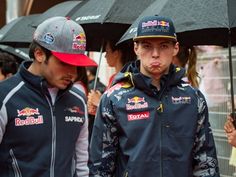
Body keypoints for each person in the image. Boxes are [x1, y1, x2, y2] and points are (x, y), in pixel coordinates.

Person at [88, 15, 220, 177]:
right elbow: (100, 166)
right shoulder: (114, 98)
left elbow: (206, 162)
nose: (155, 54)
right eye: (147, 46)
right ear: (136, 48)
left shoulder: (193, 98)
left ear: (175, 48)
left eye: (164, 46)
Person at [0, 16, 97, 177]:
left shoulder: (78, 99)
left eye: (77, 65)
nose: (72, 73)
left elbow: (82, 164)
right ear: (39, 54)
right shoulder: (5, 96)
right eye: (64, 63)